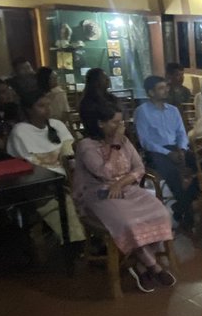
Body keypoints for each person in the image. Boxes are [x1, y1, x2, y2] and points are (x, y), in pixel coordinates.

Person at [73, 102, 175, 293]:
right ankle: (153, 266)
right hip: (98, 193)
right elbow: (104, 172)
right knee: (128, 223)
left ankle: (141, 266)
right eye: (115, 122)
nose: (121, 127)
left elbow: (139, 168)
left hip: (127, 189)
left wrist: (121, 183)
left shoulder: (124, 140)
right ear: (100, 123)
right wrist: (115, 145)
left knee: (161, 213)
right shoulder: (86, 146)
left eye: (122, 122)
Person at [6, 91, 84, 245]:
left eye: (48, 104)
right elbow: (31, 169)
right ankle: (77, 243)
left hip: (68, 179)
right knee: (63, 203)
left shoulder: (57, 125)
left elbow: (69, 155)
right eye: (41, 106)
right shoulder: (20, 132)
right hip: (41, 186)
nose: (47, 109)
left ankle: (98, 239)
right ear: (29, 109)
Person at [135, 75, 198, 231]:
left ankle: (179, 207)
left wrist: (182, 149)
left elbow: (181, 133)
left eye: (166, 87)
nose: (166, 91)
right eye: (161, 88)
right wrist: (167, 153)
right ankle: (188, 214)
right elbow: (146, 141)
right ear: (150, 92)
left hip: (176, 148)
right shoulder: (142, 112)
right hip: (156, 152)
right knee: (173, 172)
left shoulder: (173, 110)